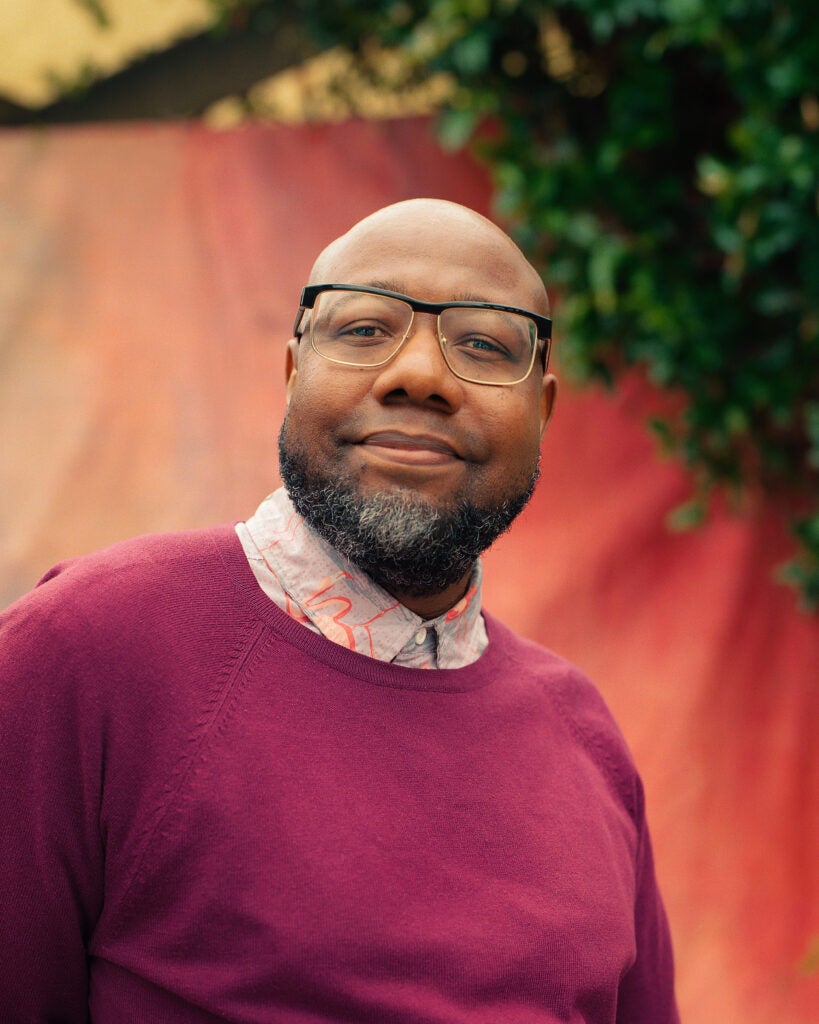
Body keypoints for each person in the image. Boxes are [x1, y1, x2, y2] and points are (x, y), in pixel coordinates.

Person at [0, 199, 679, 1023]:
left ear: (542, 411)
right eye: (363, 329)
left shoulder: (584, 738)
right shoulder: (86, 651)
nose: (420, 375)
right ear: (292, 373)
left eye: (483, 344)